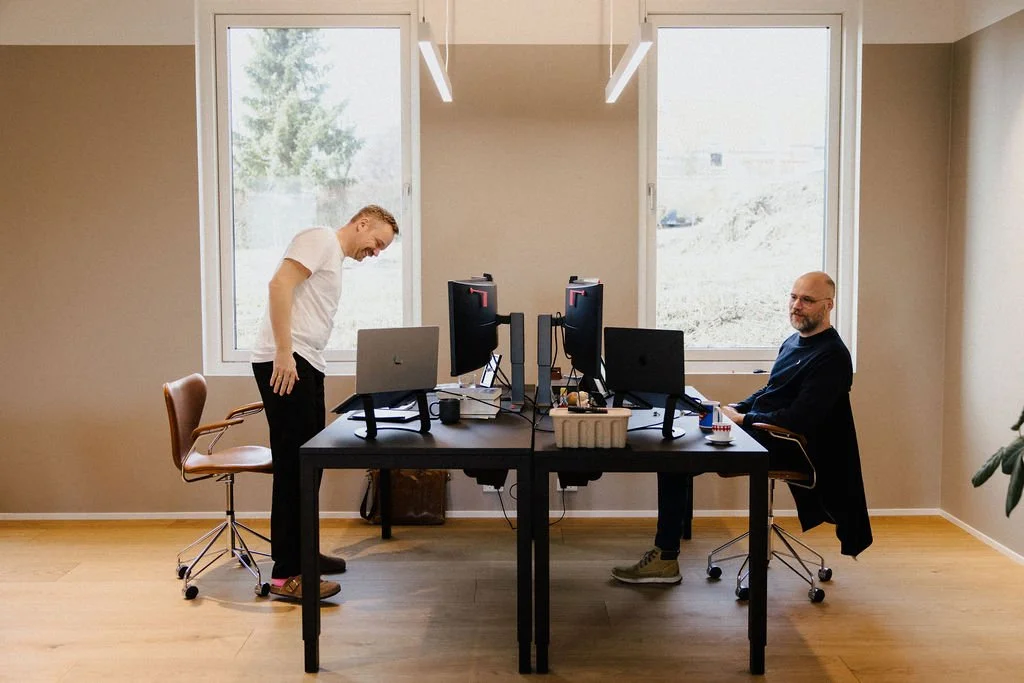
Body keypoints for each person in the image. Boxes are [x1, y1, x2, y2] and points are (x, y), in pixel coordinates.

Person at [611, 271, 872, 584]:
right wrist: (737, 408)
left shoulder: (832, 357)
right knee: (679, 442)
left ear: (828, 306)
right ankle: (666, 555)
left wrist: (742, 420)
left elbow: (800, 418)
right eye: (793, 297)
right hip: (761, 431)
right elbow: (770, 390)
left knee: (676, 459)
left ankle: (665, 560)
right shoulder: (794, 342)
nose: (796, 306)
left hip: (788, 446)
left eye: (807, 300)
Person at [252, 205, 399, 600]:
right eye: (377, 242)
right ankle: (287, 575)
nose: (376, 251)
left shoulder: (332, 257)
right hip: (288, 360)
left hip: (306, 361)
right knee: (292, 468)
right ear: (362, 223)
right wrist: (284, 352)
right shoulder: (318, 239)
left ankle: (302, 556)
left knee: (307, 467)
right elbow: (279, 285)